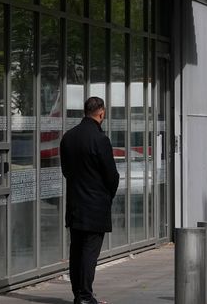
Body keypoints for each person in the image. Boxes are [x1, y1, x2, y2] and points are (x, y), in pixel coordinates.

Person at [61, 97, 120, 304]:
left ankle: (79, 294)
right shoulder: (100, 139)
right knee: (89, 253)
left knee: (76, 249)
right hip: (95, 205)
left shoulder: (68, 137)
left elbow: (66, 171)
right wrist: (107, 195)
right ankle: (85, 297)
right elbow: (111, 176)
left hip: (75, 204)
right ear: (101, 113)